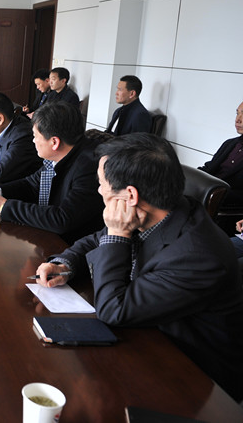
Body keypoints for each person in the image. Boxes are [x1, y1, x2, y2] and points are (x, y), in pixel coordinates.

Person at [35, 133, 243, 402]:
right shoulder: (163, 208)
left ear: (130, 195)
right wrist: (66, 262)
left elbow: (113, 310)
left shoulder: (197, 257)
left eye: (102, 184)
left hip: (193, 375)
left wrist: (117, 234)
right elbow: (98, 238)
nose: (99, 191)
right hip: (148, 332)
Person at [0, 102, 104, 244]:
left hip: (71, 247)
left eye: (35, 136)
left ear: (54, 142)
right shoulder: (62, 154)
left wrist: (4, 207)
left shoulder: (90, 166)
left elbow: (62, 219)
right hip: (49, 236)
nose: (33, 141)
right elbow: (31, 184)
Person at [199, 100, 243, 209]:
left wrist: (212, 191)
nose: (238, 120)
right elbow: (208, 168)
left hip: (226, 203)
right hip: (206, 192)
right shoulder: (230, 143)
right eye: (237, 113)